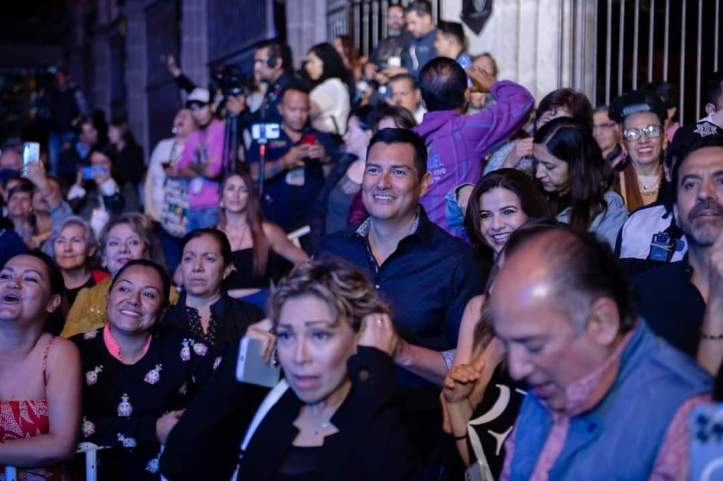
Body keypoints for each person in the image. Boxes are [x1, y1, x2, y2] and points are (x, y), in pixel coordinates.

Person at [489, 224, 711, 481]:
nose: (516, 368)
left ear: (602, 322)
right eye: (506, 344)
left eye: (534, 346)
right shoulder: (546, 384)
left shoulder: (690, 418)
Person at [234, 258, 418, 480]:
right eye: (286, 335)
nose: (299, 357)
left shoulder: (395, 418)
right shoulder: (274, 404)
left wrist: (374, 369)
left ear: (362, 334)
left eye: (319, 335)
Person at [71, 259, 217, 481]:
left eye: (148, 294)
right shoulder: (74, 351)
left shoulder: (184, 347)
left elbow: (230, 385)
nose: (133, 300)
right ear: (108, 297)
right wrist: (151, 430)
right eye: (124, 289)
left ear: (163, 310)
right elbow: (61, 429)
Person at [414, 57, 534, 235]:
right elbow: (522, 102)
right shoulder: (467, 130)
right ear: (466, 95)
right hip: (457, 242)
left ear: (422, 100)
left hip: (414, 241)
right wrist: (492, 84)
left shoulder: (408, 139)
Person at [632, 133, 723, 363]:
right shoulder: (643, 297)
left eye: (721, 181)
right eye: (690, 184)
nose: (705, 193)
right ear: (675, 212)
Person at [0, 252, 81, 479]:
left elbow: (62, 444)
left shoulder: (59, 353)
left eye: (30, 278)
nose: (13, 283)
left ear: (52, 302)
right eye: (5, 276)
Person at [62, 213, 177, 338]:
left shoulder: (169, 295)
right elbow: (66, 341)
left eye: (133, 242)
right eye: (114, 243)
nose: (123, 249)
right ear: (104, 256)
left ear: (146, 252)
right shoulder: (86, 297)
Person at [246, 81, 336, 235]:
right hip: (273, 221)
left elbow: (333, 182)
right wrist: (286, 161)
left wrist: (325, 159)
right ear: (281, 109)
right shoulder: (266, 135)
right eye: (293, 109)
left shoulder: (320, 137)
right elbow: (255, 174)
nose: (299, 116)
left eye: (304, 110)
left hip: (311, 223)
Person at [163, 228, 265, 349]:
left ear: (226, 269)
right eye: (188, 258)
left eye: (209, 258)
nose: (197, 267)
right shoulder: (162, 318)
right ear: (181, 268)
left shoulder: (250, 317)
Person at [533, 117, 627, 247]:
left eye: (549, 167)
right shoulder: (534, 193)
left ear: (577, 165)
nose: (538, 174)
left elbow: (606, 257)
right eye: (536, 162)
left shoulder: (607, 206)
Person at [217, 172, 308, 300]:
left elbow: (304, 261)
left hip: (259, 304)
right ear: (222, 196)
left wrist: (286, 288)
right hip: (222, 306)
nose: (236, 195)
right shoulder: (211, 236)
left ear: (250, 197)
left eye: (243, 190)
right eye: (230, 189)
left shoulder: (267, 232)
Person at [489, 88, 594, 175]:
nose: (551, 130)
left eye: (561, 125)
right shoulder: (510, 152)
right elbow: (486, 191)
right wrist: (509, 164)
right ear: (537, 122)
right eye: (546, 122)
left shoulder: (588, 161)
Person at [145, 108, 197, 274]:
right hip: (163, 218)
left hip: (192, 220)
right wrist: (150, 212)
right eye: (178, 115)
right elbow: (151, 182)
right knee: (169, 267)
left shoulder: (201, 147)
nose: (180, 118)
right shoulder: (163, 146)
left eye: (185, 116)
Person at [464, 169, 549, 265]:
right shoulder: (475, 267)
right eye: (485, 215)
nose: (496, 225)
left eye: (508, 212)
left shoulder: (555, 262)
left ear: (532, 213)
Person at [173, 88, 225, 230]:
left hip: (213, 204)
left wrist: (192, 165)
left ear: (212, 106)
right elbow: (180, 169)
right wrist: (203, 166)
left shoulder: (221, 130)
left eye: (201, 107)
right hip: (193, 205)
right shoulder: (193, 136)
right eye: (193, 109)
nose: (197, 113)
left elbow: (213, 171)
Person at [609, 89, 668, 212]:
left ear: (664, 138)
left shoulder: (677, 178)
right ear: (623, 143)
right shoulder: (611, 183)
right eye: (632, 133)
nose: (643, 140)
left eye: (651, 131)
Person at [46, 216, 109, 307]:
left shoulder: (105, 283)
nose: (67, 248)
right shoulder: (46, 284)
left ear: (90, 250)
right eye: (60, 241)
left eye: (76, 241)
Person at [67, 145, 125, 236]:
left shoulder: (125, 188)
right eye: (94, 163)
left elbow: (123, 216)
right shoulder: (86, 190)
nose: (98, 168)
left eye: (103, 163)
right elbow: (68, 212)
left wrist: (107, 184)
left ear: (112, 165)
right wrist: (78, 185)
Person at [303, 42, 353, 136]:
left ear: (325, 61)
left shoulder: (331, 87)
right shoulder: (336, 85)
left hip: (327, 139)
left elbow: (305, 112)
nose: (307, 66)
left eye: (312, 61)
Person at [253, 39, 295, 124]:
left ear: (277, 63)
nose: (256, 67)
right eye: (255, 62)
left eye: (261, 62)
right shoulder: (269, 87)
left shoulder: (290, 88)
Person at [108, 117, 144, 213]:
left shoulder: (135, 151)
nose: (109, 134)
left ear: (121, 131)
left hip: (129, 195)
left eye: (112, 131)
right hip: (111, 194)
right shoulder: (108, 151)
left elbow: (136, 175)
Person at [402, 1, 438, 78]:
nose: (409, 28)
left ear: (427, 19)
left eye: (413, 22)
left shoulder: (439, 40)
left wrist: (406, 72)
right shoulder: (411, 39)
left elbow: (436, 75)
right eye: (407, 24)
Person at [58, 116, 97, 188]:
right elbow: (62, 177)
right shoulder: (68, 153)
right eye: (90, 131)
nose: (95, 133)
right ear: (81, 136)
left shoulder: (99, 151)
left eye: (94, 129)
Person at [593, 105, 625, 170]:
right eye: (593, 127)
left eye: (604, 126)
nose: (597, 133)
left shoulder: (627, 164)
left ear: (617, 128)